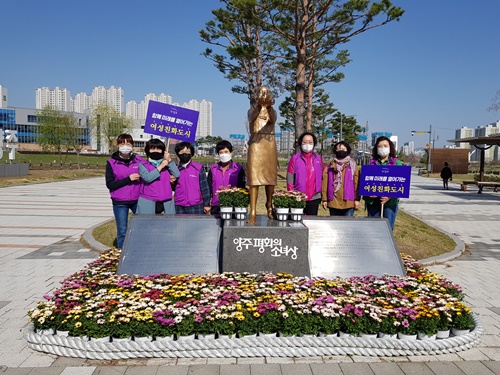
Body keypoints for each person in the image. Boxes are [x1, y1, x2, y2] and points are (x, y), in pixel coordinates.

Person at [105, 134, 145, 249]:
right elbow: (110, 184)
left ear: (132, 145)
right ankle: (121, 256)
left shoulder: (139, 161)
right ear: (118, 145)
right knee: (122, 231)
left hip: (137, 200)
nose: (125, 146)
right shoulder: (111, 163)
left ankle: (138, 251)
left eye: (128, 144)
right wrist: (128, 179)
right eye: (122, 144)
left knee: (141, 228)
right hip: (120, 201)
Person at [246, 86, 278, 223]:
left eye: (266, 92)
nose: (263, 95)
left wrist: (268, 107)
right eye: (261, 92)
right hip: (256, 143)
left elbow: (272, 120)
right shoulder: (251, 111)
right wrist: (259, 107)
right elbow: (252, 119)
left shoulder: (273, 111)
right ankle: (253, 211)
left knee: (270, 178)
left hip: (269, 143)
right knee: (254, 179)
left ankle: (269, 205)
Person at [363, 136, 403, 231]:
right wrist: (368, 193)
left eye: (385, 146)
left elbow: (401, 183)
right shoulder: (371, 164)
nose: (383, 148)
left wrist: (389, 196)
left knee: (388, 229)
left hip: (390, 202)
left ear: (390, 148)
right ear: (376, 148)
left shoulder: (397, 163)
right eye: (380, 146)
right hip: (373, 202)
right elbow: (365, 182)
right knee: (373, 228)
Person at [137, 138, 180, 215]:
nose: (156, 151)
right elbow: (148, 178)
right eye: (152, 149)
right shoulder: (143, 165)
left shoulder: (167, 165)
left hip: (166, 201)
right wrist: (161, 166)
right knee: (148, 225)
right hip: (148, 201)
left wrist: (169, 161)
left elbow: (177, 174)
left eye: (158, 149)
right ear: (148, 151)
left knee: (167, 226)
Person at [287, 132, 324, 215]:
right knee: (297, 223)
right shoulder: (295, 159)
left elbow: (323, 177)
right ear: (300, 143)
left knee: (312, 223)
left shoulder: (318, 159)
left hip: (314, 197)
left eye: (310, 142)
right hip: (298, 196)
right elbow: (290, 177)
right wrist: (292, 193)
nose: (307, 144)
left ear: (314, 144)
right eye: (305, 142)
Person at [321, 141, 361, 216]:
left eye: (343, 149)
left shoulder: (353, 166)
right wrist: (324, 199)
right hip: (333, 201)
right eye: (338, 149)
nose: (341, 151)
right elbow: (324, 184)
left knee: (347, 226)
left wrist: (357, 199)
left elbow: (357, 184)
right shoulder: (330, 166)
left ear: (347, 151)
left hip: (349, 201)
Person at [207, 140, 246, 214]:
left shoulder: (238, 168)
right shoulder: (213, 169)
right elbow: (208, 187)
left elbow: (242, 187)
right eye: (221, 152)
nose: (224, 154)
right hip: (216, 205)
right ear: (218, 154)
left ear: (231, 153)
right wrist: (207, 204)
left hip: (233, 205)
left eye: (226, 152)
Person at [173, 141, 211, 214]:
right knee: (180, 225)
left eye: (187, 151)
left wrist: (207, 204)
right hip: (179, 205)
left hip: (196, 205)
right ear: (178, 153)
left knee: (196, 225)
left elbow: (204, 187)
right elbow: (173, 187)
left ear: (191, 153)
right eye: (182, 151)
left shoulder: (198, 168)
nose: (184, 154)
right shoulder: (175, 169)